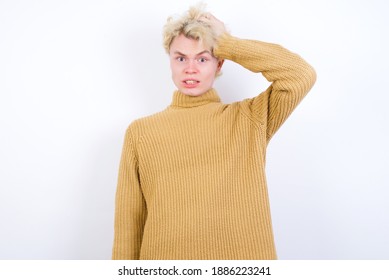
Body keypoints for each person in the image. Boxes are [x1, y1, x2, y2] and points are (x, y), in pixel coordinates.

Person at [112, 5, 316, 260]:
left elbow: (300, 75)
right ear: (170, 61)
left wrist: (228, 43)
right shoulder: (140, 133)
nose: (190, 68)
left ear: (219, 63)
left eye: (202, 58)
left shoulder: (250, 119)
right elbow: (128, 227)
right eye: (181, 57)